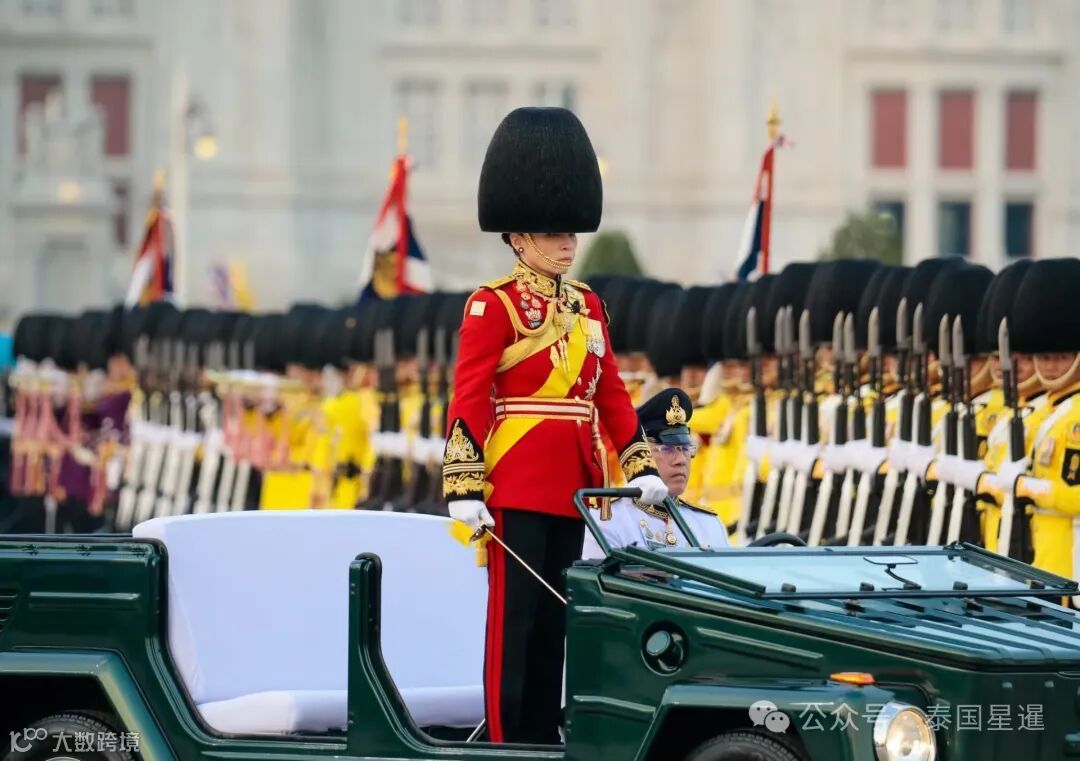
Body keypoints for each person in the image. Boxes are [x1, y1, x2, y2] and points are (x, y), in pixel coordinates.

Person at [442, 106, 667, 745]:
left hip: (574, 484)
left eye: (570, 231)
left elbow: (612, 395)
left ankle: (543, 740)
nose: (568, 242)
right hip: (515, 483)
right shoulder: (493, 305)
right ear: (518, 238)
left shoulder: (587, 304)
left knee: (555, 627)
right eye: (552, 232)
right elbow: (470, 395)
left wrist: (639, 464)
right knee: (514, 628)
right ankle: (506, 744)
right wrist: (464, 482)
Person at [583, 388, 730, 556]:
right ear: (640, 454)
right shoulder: (606, 519)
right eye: (667, 449)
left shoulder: (708, 523)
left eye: (685, 448)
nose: (681, 460)